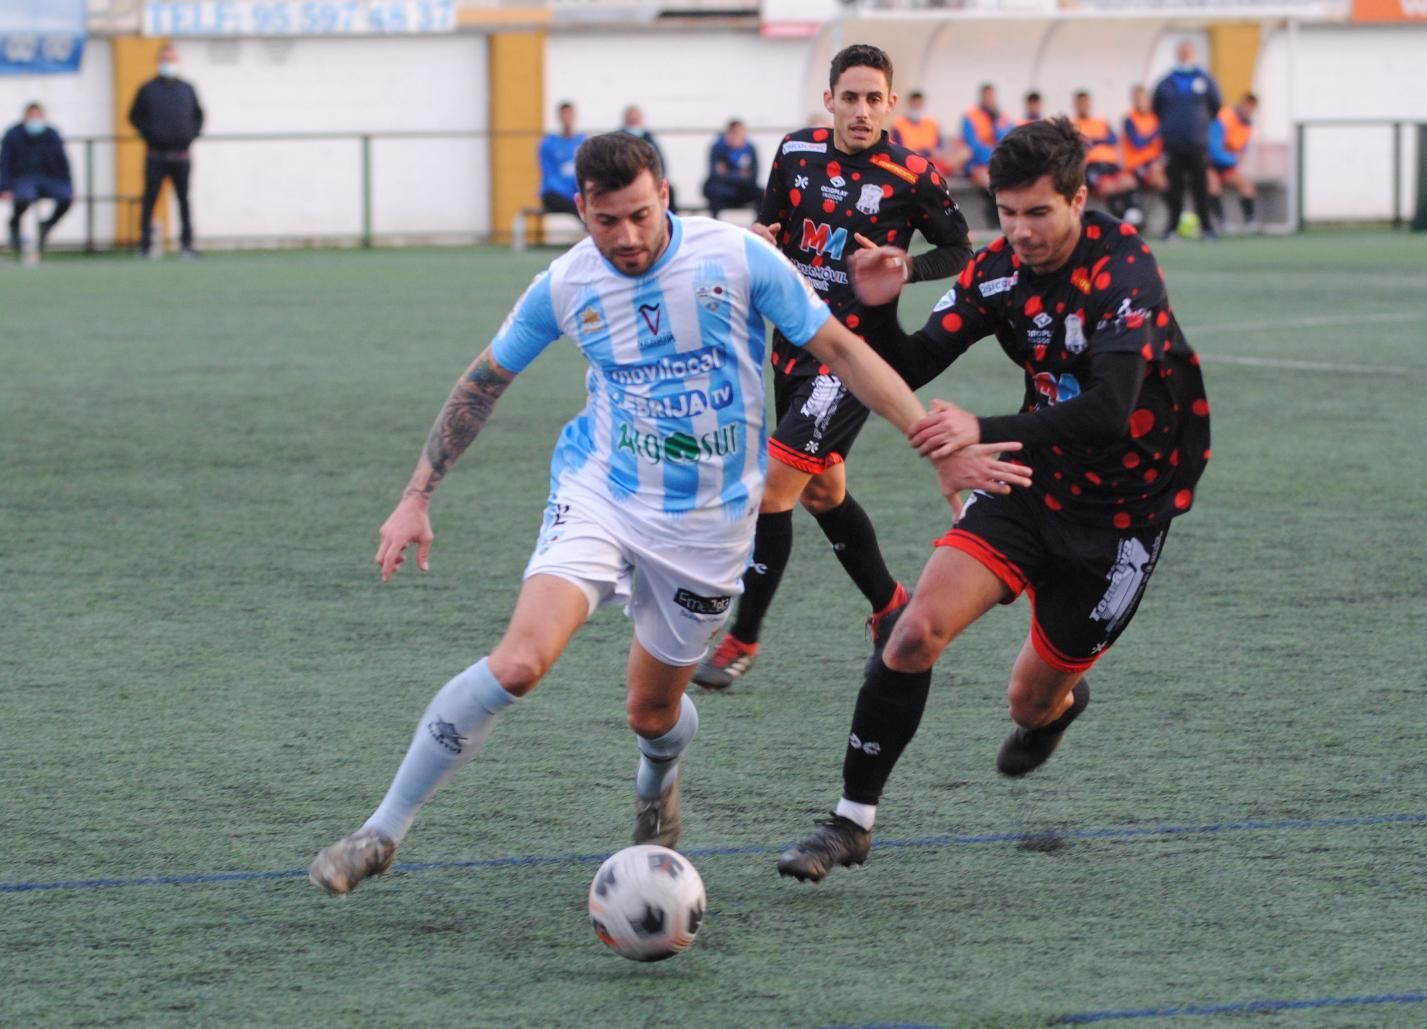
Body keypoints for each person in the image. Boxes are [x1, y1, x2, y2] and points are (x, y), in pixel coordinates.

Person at [306, 131, 1026, 897]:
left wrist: (931, 441)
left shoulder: (738, 258)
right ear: (582, 209)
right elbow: (484, 381)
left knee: (652, 710)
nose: (627, 237)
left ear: (666, 197)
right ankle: (381, 831)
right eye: (607, 220)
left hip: (709, 525)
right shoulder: (565, 284)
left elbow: (843, 351)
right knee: (519, 661)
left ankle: (658, 777)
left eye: (642, 215)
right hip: (601, 493)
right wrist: (417, 494)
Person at [774, 117, 1209, 882]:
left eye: (1038, 212)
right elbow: (906, 362)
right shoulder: (1001, 269)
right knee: (912, 636)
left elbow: (1110, 408)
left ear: (1078, 198)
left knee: (1028, 699)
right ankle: (849, 822)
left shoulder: (1124, 269)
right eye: (1006, 214)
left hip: (1125, 515)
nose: (1020, 231)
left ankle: (1056, 709)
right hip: (1029, 479)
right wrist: (880, 304)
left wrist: (982, 427)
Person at [692, 44, 974, 691]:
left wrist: (908, 265)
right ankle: (889, 604)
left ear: (891, 104)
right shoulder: (795, 153)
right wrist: (760, 237)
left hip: (853, 357)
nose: (862, 109)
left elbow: (958, 245)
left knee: (775, 490)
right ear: (830, 100)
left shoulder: (913, 173)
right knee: (822, 490)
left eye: (874, 98)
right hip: (792, 343)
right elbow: (774, 225)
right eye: (850, 96)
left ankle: (742, 637)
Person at [129, 44, 203, 258]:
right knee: (150, 199)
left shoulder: (187, 89)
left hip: (181, 156)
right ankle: (144, 245)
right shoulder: (148, 89)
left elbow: (199, 115)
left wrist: (191, 134)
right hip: (156, 156)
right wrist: (149, 134)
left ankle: (187, 245)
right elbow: (134, 116)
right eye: (164, 59)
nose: (168, 63)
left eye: (171, 59)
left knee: (183, 200)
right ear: (158, 61)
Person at [1151, 40, 1220, 242]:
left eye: (1188, 52)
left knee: (1201, 186)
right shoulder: (1166, 82)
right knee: (1175, 187)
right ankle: (1171, 228)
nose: (1184, 55)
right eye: (1181, 52)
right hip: (1173, 143)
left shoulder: (1205, 80)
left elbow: (1215, 106)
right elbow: (1157, 108)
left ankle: (1207, 227)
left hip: (1197, 143)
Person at [1, 102, 73, 258]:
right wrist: (4, 187)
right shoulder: (13, 134)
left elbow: (63, 162)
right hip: (23, 178)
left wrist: (69, 185)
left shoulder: (52, 134)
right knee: (25, 196)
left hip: (48, 178)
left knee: (65, 197)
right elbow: (4, 162)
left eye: (38, 116)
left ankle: (46, 225)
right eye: (31, 116)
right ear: (25, 117)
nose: (35, 120)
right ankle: (15, 223)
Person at [1071, 90, 1140, 222]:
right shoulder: (1073, 123)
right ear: (1075, 104)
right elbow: (1080, 143)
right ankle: (1120, 219)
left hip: (1109, 162)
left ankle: (1132, 213)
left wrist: (1093, 140)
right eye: (1080, 103)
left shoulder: (1101, 122)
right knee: (1107, 187)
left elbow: (1112, 139)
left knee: (1128, 181)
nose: (1083, 106)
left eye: (1085, 103)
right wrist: (1098, 140)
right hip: (1091, 165)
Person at [1208, 93, 1259, 233]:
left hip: (1226, 165)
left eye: (1251, 108)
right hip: (1210, 163)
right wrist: (1232, 158)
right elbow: (1214, 150)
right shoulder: (1223, 118)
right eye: (1246, 106)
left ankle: (1250, 221)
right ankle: (1221, 221)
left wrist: (1233, 159)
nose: (1248, 110)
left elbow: (1242, 151)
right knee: (1212, 183)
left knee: (1246, 184)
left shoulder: (1248, 126)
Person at [890, 90, 967, 179]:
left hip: (934, 160)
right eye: (914, 104)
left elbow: (939, 149)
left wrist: (934, 153)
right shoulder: (898, 124)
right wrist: (925, 152)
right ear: (909, 104)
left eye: (919, 104)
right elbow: (897, 150)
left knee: (964, 152)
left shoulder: (932, 123)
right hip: (911, 161)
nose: (916, 107)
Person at [703, 119, 762, 219]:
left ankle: (760, 225)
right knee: (712, 191)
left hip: (743, 190)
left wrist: (728, 174)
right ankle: (715, 226)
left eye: (740, 133)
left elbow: (753, 176)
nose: (737, 136)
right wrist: (740, 175)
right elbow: (715, 174)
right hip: (724, 190)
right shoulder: (718, 148)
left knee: (762, 194)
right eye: (734, 133)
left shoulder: (750, 149)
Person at [620, 104, 675, 211]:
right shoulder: (618, 139)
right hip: (623, 181)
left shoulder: (650, 138)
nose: (633, 120)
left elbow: (659, 161)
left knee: (670, 190)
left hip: (648, 179)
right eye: (631, 117)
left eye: (636, 117)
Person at [960, 82, 1012, 194]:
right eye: (986, 96)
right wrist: (993, 156)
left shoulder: (1001, 117)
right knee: (992, 184)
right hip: (979, 164)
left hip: (999, 163)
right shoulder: (970, 116)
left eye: (991, 96)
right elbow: (972, 145)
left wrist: (995, 121)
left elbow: (1006, 141)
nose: (989, 99)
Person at [539, 101, 585, 217]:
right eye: (564, 115)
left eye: (570, 114)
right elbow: (549, 175)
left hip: (576, 193)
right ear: (559, 117)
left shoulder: (582, 142)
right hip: (556, 194)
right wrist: (569, 194)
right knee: (581, 209)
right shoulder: (548, 144)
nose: (567, 118)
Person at [1121, 84, 1167, 198]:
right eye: (1136, 98)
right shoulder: (1129, 119)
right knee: (1158, 178)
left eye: (1142, 98)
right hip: (1137, 164)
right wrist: (1156, 133)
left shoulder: (1156, 118)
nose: (1139, 101)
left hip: (1156, 163)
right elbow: (1138, 143)